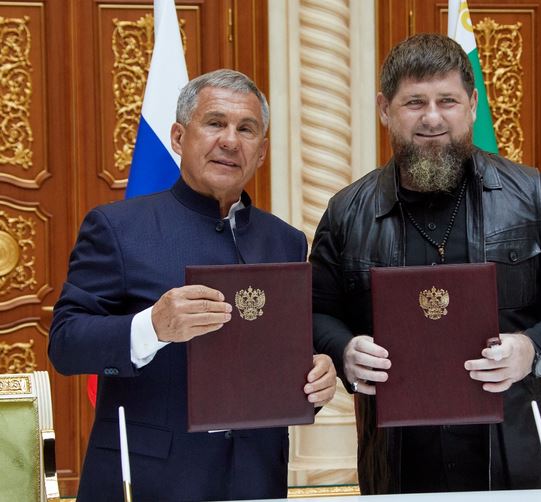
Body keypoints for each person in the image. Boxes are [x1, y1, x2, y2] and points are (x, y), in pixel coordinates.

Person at [310, 33, 541, 494]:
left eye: (447, 101)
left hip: (519, 454)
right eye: (415, 102)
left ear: (472, 105)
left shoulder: (534, 195)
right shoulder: (346, 212)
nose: (432, 118)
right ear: (384, 109)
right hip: (399, 461)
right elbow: (314, 311)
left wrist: (533, 348)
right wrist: (345, 351)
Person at [49, 69, 337, 501]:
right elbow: (66, 344)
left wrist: (315, 379)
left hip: (255, 481)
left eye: (246, 129)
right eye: (215, 123)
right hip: (149, 482)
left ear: (261, 153)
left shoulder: (285, 241)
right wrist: (152, 327)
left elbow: (282, 356)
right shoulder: (118, 228)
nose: (230, 141)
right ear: (179, 138)